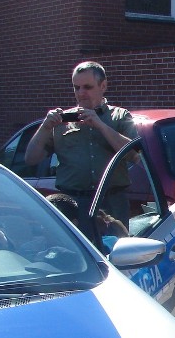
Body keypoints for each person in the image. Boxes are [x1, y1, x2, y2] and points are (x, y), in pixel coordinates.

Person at [25, 61, 137, 241]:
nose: (81, 93)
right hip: (74, 203)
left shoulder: (120, 117)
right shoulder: (62, 122)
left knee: (117, 254)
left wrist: (101, 126)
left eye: (87, 87)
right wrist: (45, 127)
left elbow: (135, 155)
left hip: (112, 202)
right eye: (76, 88)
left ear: (103, 86)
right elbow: (31, 159)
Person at [46, 193, 129, 252]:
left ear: (73, 223)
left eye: (51, 224)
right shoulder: (36, 246)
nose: (43, 228)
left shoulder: (101, 248)